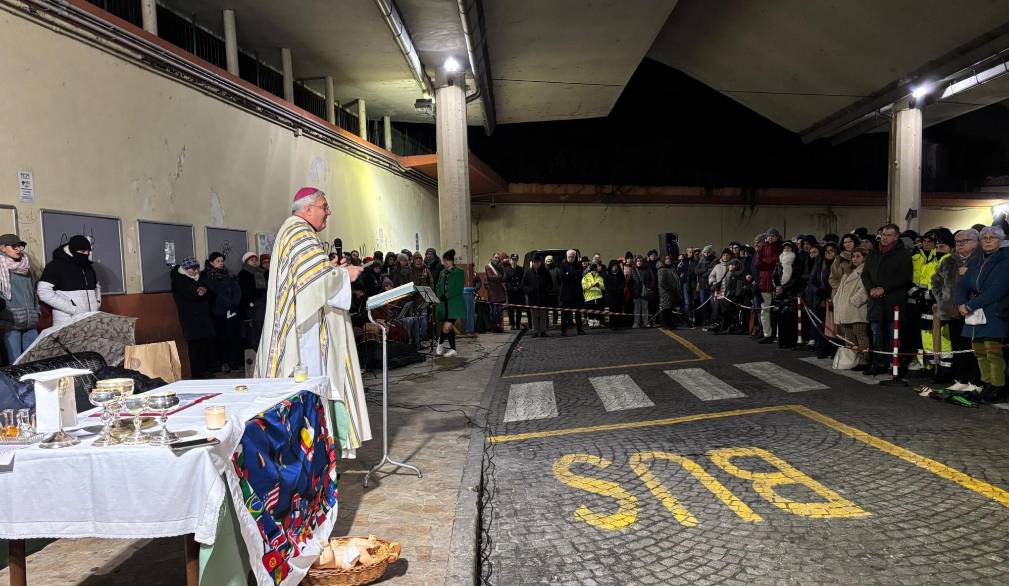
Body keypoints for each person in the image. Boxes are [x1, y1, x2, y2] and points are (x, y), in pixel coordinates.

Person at [254, 187, 370, 458]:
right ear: (307, 209)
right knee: (310, 391)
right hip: (305, 334)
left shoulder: (295, 231)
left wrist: (332, 269)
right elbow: (313, 282)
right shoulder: (300, 232)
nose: (328, 212)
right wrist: (345, 274)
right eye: (324, 206)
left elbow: (309, 276)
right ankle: (310, 454)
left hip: (304, 326)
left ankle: (313, 452)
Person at [956, 225, 1009, 401]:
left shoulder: (1005, 260)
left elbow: (998, 289)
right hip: (975, 311)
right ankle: (986, 383)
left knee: (992, 351)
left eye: (992, 237)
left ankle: (998, 386)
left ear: (1000, 241)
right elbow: (962, 284)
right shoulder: (977, 261)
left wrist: (970, 305)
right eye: (984, 237)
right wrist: (961, 302)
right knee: (979, 350)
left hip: (994, 310)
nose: (987, 240)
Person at [933, 229, 982, 390]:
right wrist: (943, 298)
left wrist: (968, 274)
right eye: (958, 241)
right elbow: (936, 280)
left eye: (965, 241)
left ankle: (974, 381)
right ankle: (960, 379)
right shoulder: (948, 260)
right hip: (952, 311)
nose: (960, 244)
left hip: (974, 311)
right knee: (958, 347)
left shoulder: (981, 259)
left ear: (976, 242)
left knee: (973, 348)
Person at [861, 224, 913, 376]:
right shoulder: (873, 253)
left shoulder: (903, 254)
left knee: (893, 335)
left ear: (896, 237)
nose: (884, 237)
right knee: (876, 334)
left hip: (893, 301)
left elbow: (905, 278)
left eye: (889, 235)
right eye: (883, 234)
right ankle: (878, 363)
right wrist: (871, 288)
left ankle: (894, 364)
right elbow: (865, 275)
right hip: (875, 302)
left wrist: (884, 289)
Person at [37, 234, 101, 328]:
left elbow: (96, 287)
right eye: (83, 251)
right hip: (67, 322)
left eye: (88, 251)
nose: (86, 254)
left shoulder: (88, 267)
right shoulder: (56, 266)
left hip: (90, 321)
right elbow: (43, 292)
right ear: (73, 250)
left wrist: (97, 303)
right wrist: (72, 308)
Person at [170, 257, 215, 379]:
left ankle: (206, 370)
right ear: (185, 269)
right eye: (192, 269)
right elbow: (190, 295)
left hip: (203, 316)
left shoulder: (200, 278)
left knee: (205, 343)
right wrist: (199, 291)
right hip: (190, 317)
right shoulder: (179, 280)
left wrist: (204, 290)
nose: (195, 271)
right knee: (194, 345)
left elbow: (210, 292)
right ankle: (197, 373)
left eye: (197, 268)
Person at [202, 252, 243, 373]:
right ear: (211, 262)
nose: (221, 263)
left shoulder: (228, 274)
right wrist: (228, 303)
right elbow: (215, 293)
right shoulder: (208, 276)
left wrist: (235, 301)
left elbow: (237, 289)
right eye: (218, 261)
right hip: (219, 311)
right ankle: (224, 362)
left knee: (234, 336)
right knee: (222, 338)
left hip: (233, 310)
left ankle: (235, 361)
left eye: (222, 261)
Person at [0, 234, 38, 364]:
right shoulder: (1, 267)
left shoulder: (25, 265)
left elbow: (33, 290)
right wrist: (4, 314)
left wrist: (36, 311)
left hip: (30, 321)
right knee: (14, 362)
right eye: (14, 246)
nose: (18, 249)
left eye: (20, 246)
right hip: (10, 323)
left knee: (33, 359)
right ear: (2, 248)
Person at [833, 247, 871, 370]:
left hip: (857, 310)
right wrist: (837, 303)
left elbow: (865, 290)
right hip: (845, 310)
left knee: (860, 336)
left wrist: (854, 301)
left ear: (864, 258)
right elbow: (840, 291)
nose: (854, 259)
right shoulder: (847, 273)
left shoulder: (865, 271)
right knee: (849, 337)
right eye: (853, 256)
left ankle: (864, 360)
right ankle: (852, 359)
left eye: (858, 256)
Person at [771, 241, 802, 348]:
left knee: (790, 318)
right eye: (785, 248)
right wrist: (777, 286)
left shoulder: (796, 262)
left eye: (789, 248)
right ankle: (782, 341)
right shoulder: (779, 262)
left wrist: (784, 288)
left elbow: (795, 278)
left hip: (790, 294)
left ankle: (790, 342)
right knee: (780, 318)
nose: (786, 250)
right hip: (779, 294)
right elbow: (774, 275)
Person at [435, 249, 464, 356]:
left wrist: (446, 296)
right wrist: (438, 296)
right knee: (449, 327)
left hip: (454, 304)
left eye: (447, 260)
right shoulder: (442, 273)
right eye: (444, 260)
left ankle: (440, 343)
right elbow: (438, 286)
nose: (445, 262)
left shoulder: (459, 272)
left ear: (452, 261)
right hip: (443, 304)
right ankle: (453, 349)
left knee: (447, 326)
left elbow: (459, 288)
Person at [755, 229, 783, 342]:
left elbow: (776, 262)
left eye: (772, 235)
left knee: (777, 311)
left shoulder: (781, 247)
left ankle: (778, 334)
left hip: (776, 283)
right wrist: (768, 263)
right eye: (768, 236)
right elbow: (757, 263)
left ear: (777, 237)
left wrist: (765, 262)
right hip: (764, 283)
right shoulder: (763, 248)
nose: (770, 237)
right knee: (765, 310)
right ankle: (767, 333)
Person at [238, 252, 268, 350]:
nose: (254, 262)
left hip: (263, 302)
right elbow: (245, 290)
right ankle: (256, 350)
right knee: (256, 328)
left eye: (255, 260)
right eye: (252, 260)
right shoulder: (244, 273)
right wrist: (252, 302)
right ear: (246, 262)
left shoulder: (261, 272)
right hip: (254, 304)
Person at [522, 254, 551, 337]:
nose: (536, 264)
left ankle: (543, 331)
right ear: (532, 262)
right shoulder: (528, 272)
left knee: (543, 315)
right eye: (535, 262)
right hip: (533, 298)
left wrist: (546, 290)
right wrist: (529, 290)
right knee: (534, 316)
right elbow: (524, 285)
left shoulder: (545, 272)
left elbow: (550, 283)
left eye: (538, 262)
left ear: (540, 262)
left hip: (543, 298)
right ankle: (535, 331)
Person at [559, 249, 585, 335]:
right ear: (566, 257)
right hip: (566, 294)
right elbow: (562, 277)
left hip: (576, 294)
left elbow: (579, 276)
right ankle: (563, 330)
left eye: (572, 257)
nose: (570, 258)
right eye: (569, 257)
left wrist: (569, 274)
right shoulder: (562, 265)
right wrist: (573, 275)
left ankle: (580, 329)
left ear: (575, 257)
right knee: (564, 314)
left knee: (578, 313)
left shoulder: (578, 265)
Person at [657, 255, 683, 329]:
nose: (668, 260)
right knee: (665, 308)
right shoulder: (662, 270)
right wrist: (670, 288)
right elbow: (661, 283)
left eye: (669, 259)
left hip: (671, 292)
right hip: (665, 292)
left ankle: (670, 324)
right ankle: (665, 324)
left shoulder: (671, 268)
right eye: (666, 259)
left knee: (670, 308)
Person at [631, 255, 655, 328]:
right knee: (637, 308)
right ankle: (636, 323)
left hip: (645, 291)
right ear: (635, 262)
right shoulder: (633, 270)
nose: (639, 262)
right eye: (638, 261)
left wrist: (650, 288)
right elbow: (631, 282)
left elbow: (652, 279)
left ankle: (645, 322)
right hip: (636, 292)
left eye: (641, 261)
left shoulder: (647, 269)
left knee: (645, 308)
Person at [485, 252, 506, 333]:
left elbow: (505, 277)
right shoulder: (488, 266)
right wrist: (500, 277)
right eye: (495, 257)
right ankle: (493, 327)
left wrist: (499, 278)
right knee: (493, 311)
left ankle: (499, 326)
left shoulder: (501, 266)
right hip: (493, 292)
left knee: (500, 311)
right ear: (492, 258)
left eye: (498, 258)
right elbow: (490, 277)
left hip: (500, 292)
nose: (497, 259)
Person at [504, 254, 526, 330]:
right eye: (513, 260)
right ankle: (512, 324)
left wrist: (518, 287)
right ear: (510, 260)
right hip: (511, 292)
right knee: (511, 309)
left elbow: (522, 280)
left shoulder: (520, 269)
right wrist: (511, 287)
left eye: (515, 260)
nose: (514, 261)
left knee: (519, 309)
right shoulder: (506, 269)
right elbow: (506, 281)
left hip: (518, 292)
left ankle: (517, 324)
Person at [603, 260, 626, 329]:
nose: (614, 267)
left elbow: (623, 283)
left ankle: (619, 324)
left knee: (619, 310)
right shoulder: (607, 274)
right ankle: (612, 325)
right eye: (613, 266)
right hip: (611, 296)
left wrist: (619, 289)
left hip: (619, 295)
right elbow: (606, 285)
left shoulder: (621, 274)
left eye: (616, 266)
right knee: (612, 311)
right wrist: (613, 290)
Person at [581, 263, 605, 327]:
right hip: (589, 298)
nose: (594, 271)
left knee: (597, 312)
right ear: (590, 270)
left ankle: (597, 324)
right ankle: (591, 324)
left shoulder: (600, 277)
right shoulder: (585, 277)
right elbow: (584, 286)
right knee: (590, 312)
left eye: (595, 270)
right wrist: (592, 284)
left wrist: (599, 285)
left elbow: (603, 287)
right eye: (593, 270)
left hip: (598, 298)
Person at [545, 255, 561, 328]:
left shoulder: (557, 270)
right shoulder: (542, 270)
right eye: (547, 259)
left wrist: (559, 290)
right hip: (546, 294)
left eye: (550, 259)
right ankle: (546, 324)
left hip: (555, 293)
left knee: (555, 310)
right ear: (545, 261)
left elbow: (560, 281)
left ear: (553, 261)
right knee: (545, 310)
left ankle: (555, 324)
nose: (549, 261)